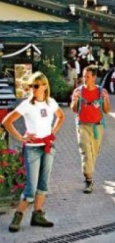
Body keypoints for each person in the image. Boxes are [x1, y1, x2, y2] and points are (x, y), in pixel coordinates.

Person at [2, 72, 65, 233]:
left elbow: (61, 116)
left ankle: (37, 215)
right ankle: (18, 215)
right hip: (32, 150)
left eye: (35, 86)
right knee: (31, 188)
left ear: (44, 86)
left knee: (43, 185)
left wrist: (53, 132)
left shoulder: (51, 102)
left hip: (48, 148)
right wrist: (21, 138)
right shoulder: (27, 104)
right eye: (30, 86)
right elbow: (6, 121)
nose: (32, 89)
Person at [70, 65, 110, 194]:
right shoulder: (78, 91)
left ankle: (89, 173)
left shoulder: (101, 91)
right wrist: (76, 100)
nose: (84, 78)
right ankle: (88, 180)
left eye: (87, 76)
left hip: (97, 126)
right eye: (83, 76)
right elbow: (74, 109)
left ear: (94, 77)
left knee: (94, 153)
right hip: (82, 125)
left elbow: (106, 110)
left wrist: (105, 99)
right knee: (86, 152)